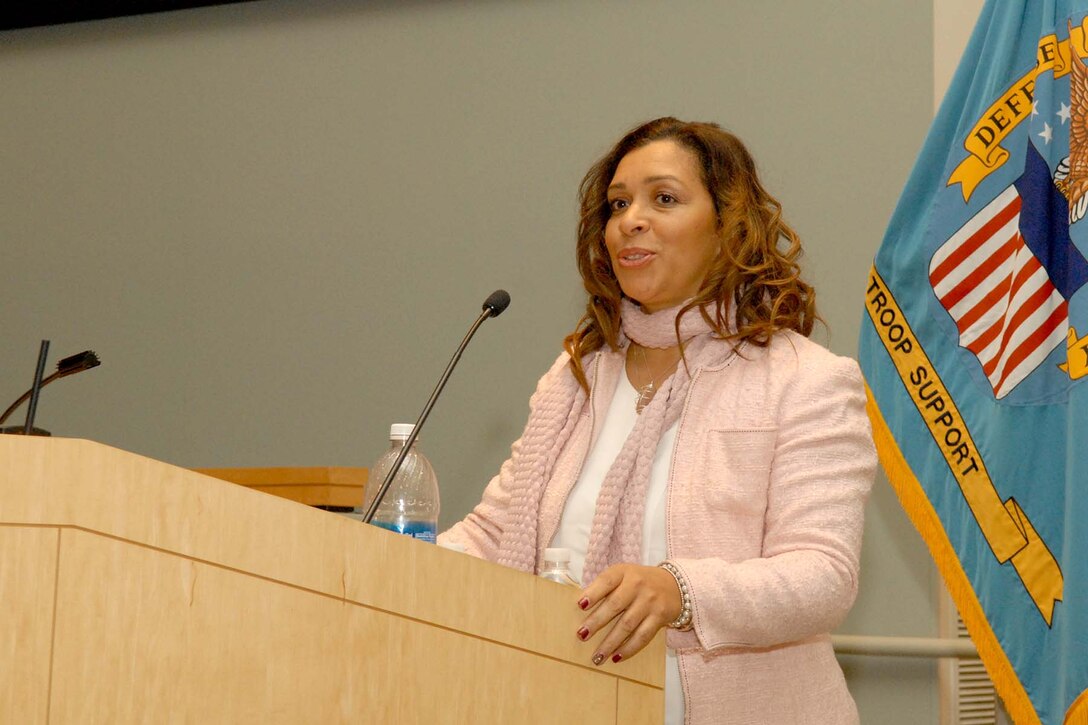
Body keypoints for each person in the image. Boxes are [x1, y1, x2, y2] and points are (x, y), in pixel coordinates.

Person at [438, 117, 876, 724]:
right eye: (618, 203)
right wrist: (381, 558)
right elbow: (495, 536)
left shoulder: (805, 381)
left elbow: (823, 575)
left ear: (728, 227)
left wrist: (681, 590)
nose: (630, 220)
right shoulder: (576, 378)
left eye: (663, 198)